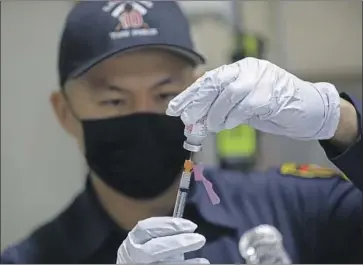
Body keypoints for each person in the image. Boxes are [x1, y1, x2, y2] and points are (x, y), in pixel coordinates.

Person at [1, 1, 362, 264]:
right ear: (65, 112)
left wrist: (341, 120)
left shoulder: (295, 207)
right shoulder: (30, 259)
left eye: (166, 95)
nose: (144, 114)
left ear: (197, 89)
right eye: (114, 100)